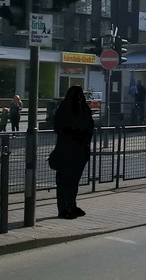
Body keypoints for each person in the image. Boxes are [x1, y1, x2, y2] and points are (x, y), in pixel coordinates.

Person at [49, 85, 94, 220]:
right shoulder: (83, 109)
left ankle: (67, 207)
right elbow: (90, 128)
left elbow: (57, 127)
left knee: (65, 181)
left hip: (67, 150)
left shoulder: (64, 108)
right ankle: (67, 207)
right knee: (72, 181)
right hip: (78, 151)